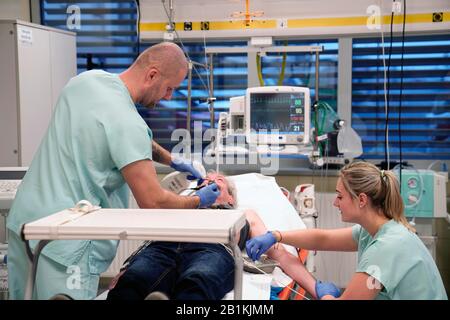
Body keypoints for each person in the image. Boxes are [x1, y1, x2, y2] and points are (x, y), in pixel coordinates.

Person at [6, 42, 220, 300]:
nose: (168, 97)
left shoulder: (84, 82)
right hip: (66, 239)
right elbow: (153, 202)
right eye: (169, 88)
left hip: (25, 222)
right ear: (152, 75)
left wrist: (171, 159)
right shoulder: (129, 124)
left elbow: (112, 130)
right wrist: (199, 200)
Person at [247, 161, 448, 300]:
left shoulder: (386, 248)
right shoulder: (377, 230)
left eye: (340, 197)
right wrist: (276, 235)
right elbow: (323, 239)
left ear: (361, 200)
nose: (335, 203)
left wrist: (324, 294)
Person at [107, 171, 322, 300]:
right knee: (133, 282)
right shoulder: (184, 205)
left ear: (230, 197)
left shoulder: (243, 213)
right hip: (164, 247)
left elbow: (282, 256)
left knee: (199, 281)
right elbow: (151, 240)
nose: (209, 181)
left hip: (213, 249)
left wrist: (318, 290)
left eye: (218, 180)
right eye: (204, 181)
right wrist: (127, 267)